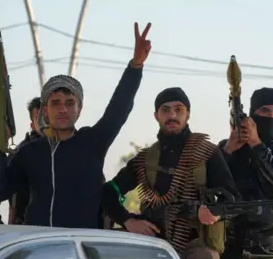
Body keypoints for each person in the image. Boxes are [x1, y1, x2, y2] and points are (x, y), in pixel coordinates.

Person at [0, 22, 152, 228]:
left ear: (79, 108)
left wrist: (135, 66)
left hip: (80, 245)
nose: (62, 109)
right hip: (38, 245)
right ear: (45, 110)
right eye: (55, 103)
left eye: (69, 103)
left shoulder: (92, 142)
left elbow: (119, 108)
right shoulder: (30, 153)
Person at [101, 87, 242, 259]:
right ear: (156, 116)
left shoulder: (206, 152)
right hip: (153, 244)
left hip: (194, 245)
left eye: (178, 110)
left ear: (187, 114)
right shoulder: (145, 159)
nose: (172, 115)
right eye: (165, 110)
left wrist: (214, 211)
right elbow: (108, 192)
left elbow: (233, 200)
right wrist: (128, 220)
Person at [218, 87, 273, 259]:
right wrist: (228, 150)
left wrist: (256, 143)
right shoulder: (227, 146)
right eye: (264, 110)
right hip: (228, 244)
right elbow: (211, 184)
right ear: (252, 114)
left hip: (268, 247)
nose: (271, 116)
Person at [0, 97, 42, 224]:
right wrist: (3, 236)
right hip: (27, 237)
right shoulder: (22, 156)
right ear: (33, 125)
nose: (46, 122)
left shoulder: (74, 149)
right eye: (40, 118)